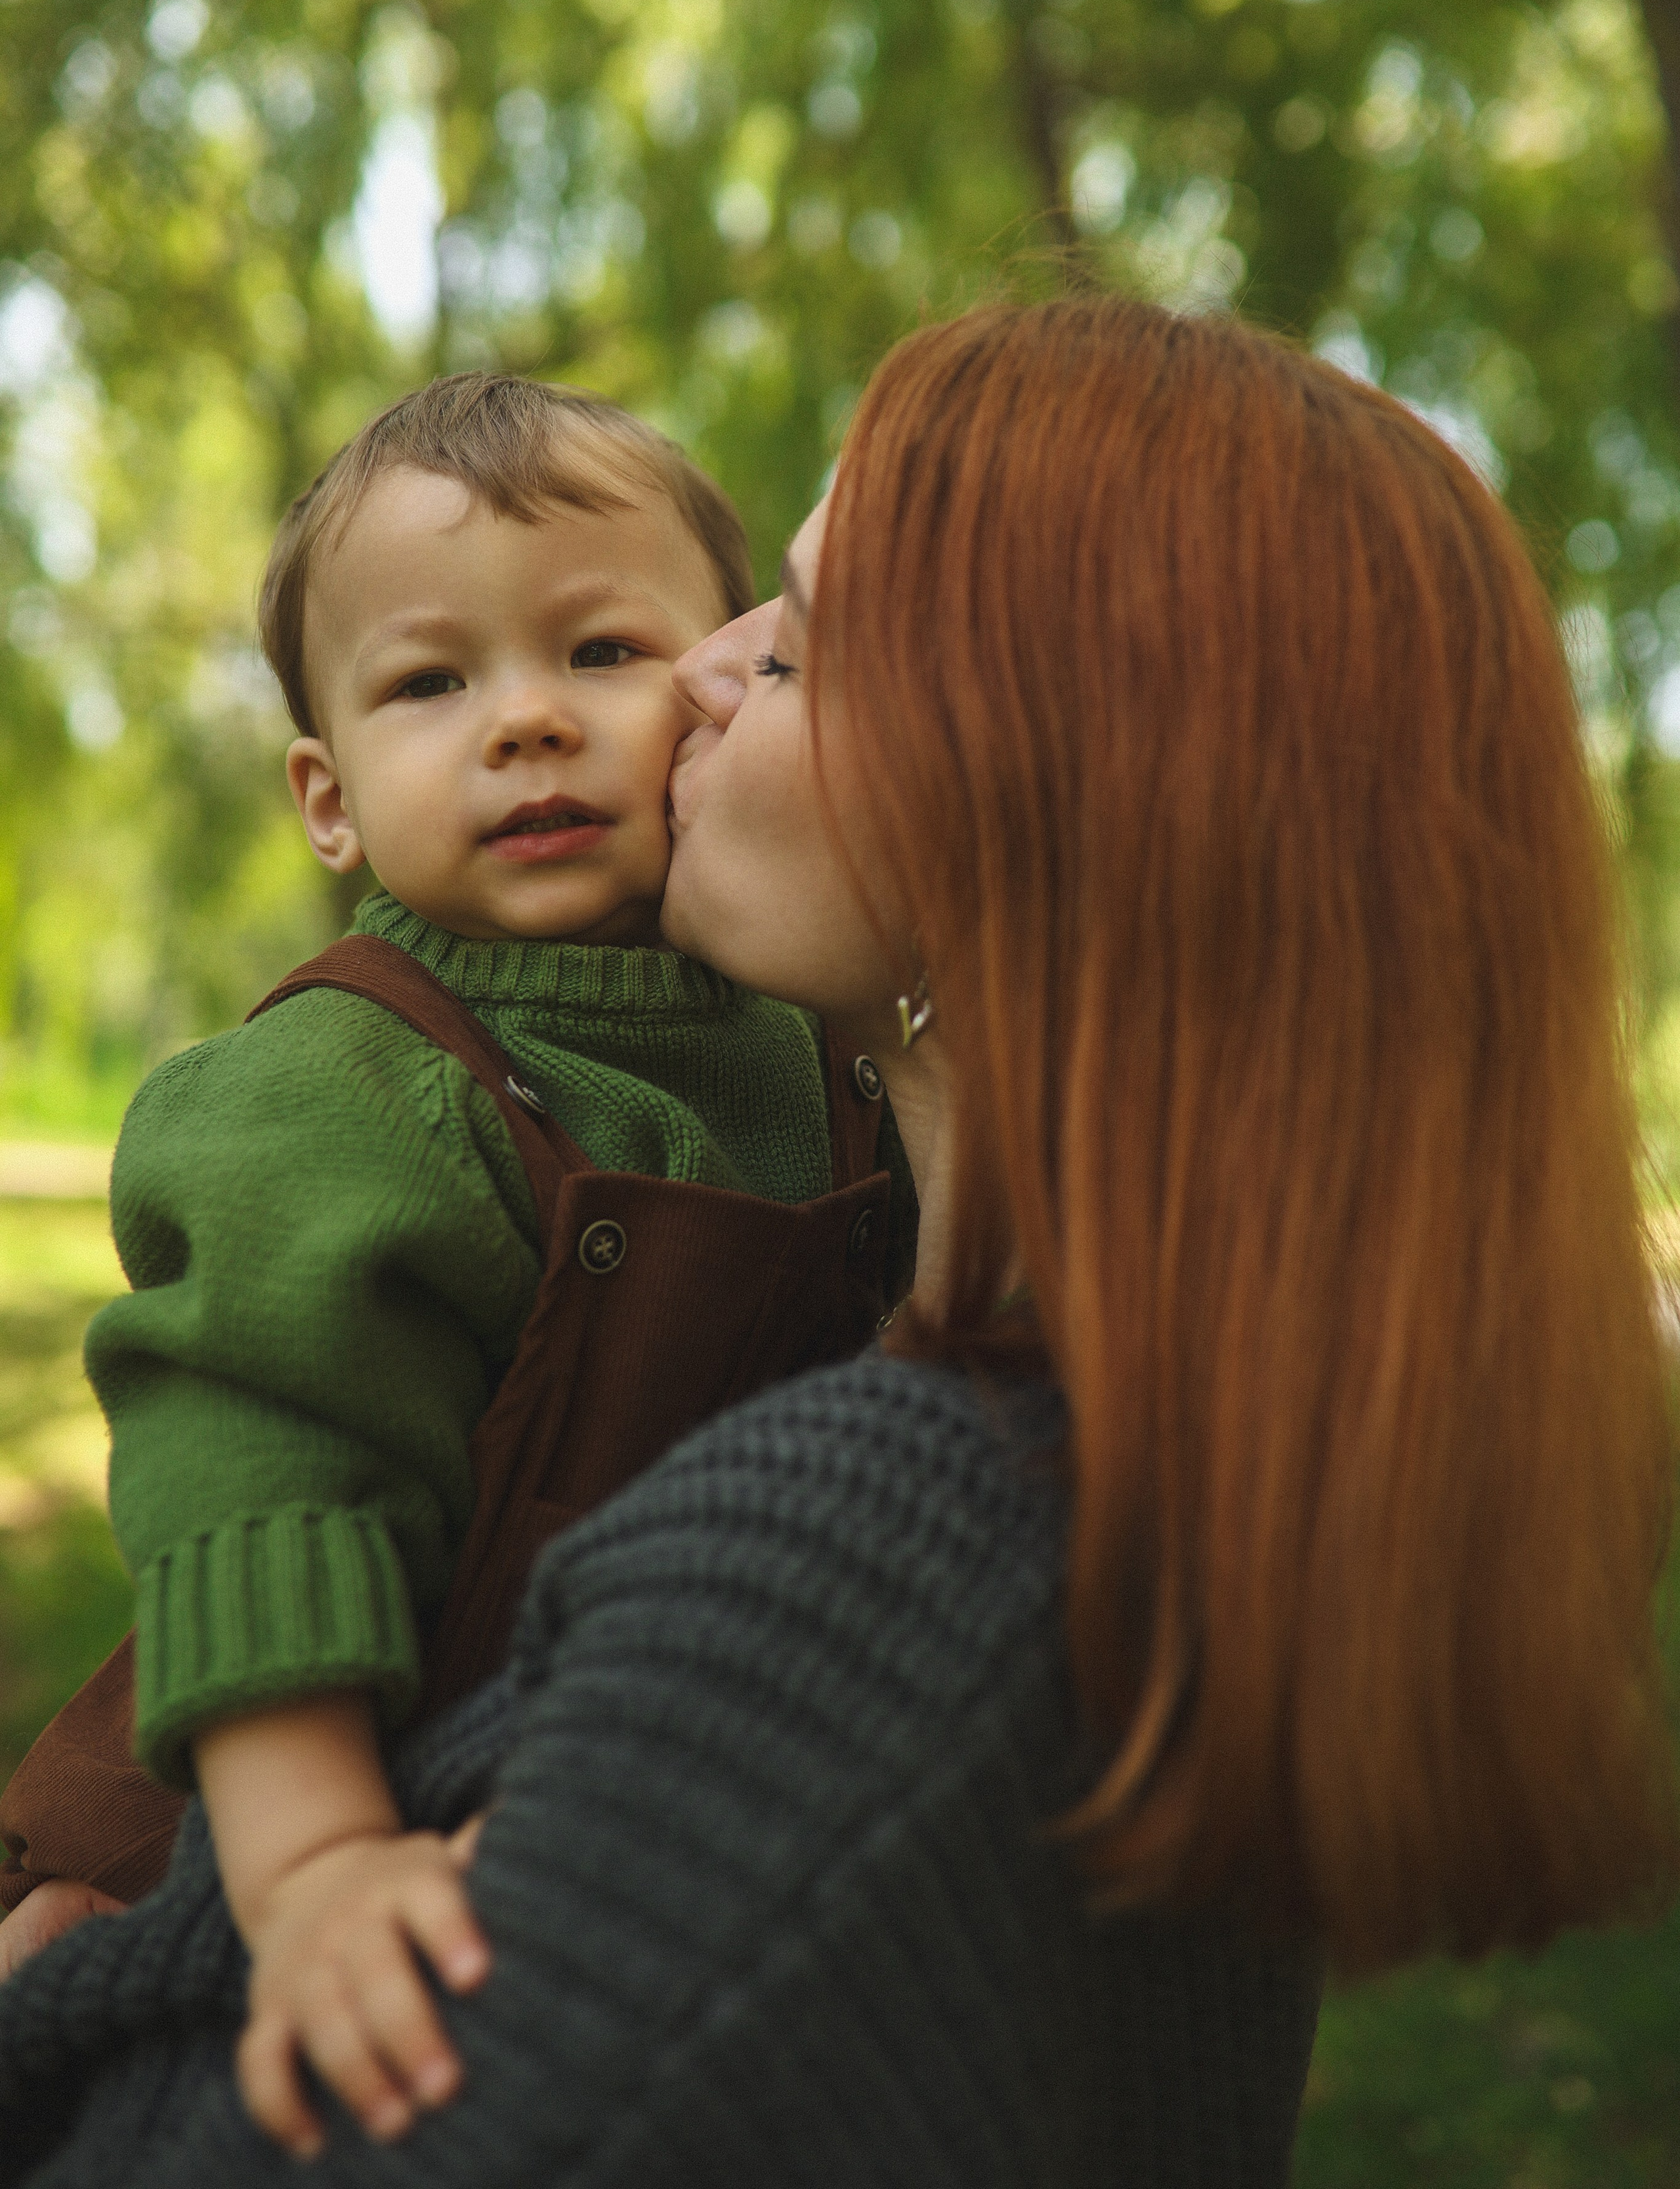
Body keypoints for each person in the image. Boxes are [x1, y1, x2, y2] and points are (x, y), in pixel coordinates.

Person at [0, 295, 1673, 2189]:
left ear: (1020, 828)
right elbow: (257, 1445)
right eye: (428, 681)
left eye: (792, 647)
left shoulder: (843, 1605)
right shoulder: (1189, 1488)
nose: (692, 676)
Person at [0, 372, 908, 2148]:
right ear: (329, 803)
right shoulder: (335, 1083)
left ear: (720, 679)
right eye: (434, 682)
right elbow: (261, 1487)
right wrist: (319, 1864)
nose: (526, 724)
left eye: (601, 652)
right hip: (267, 1797)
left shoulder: (815, 1036)